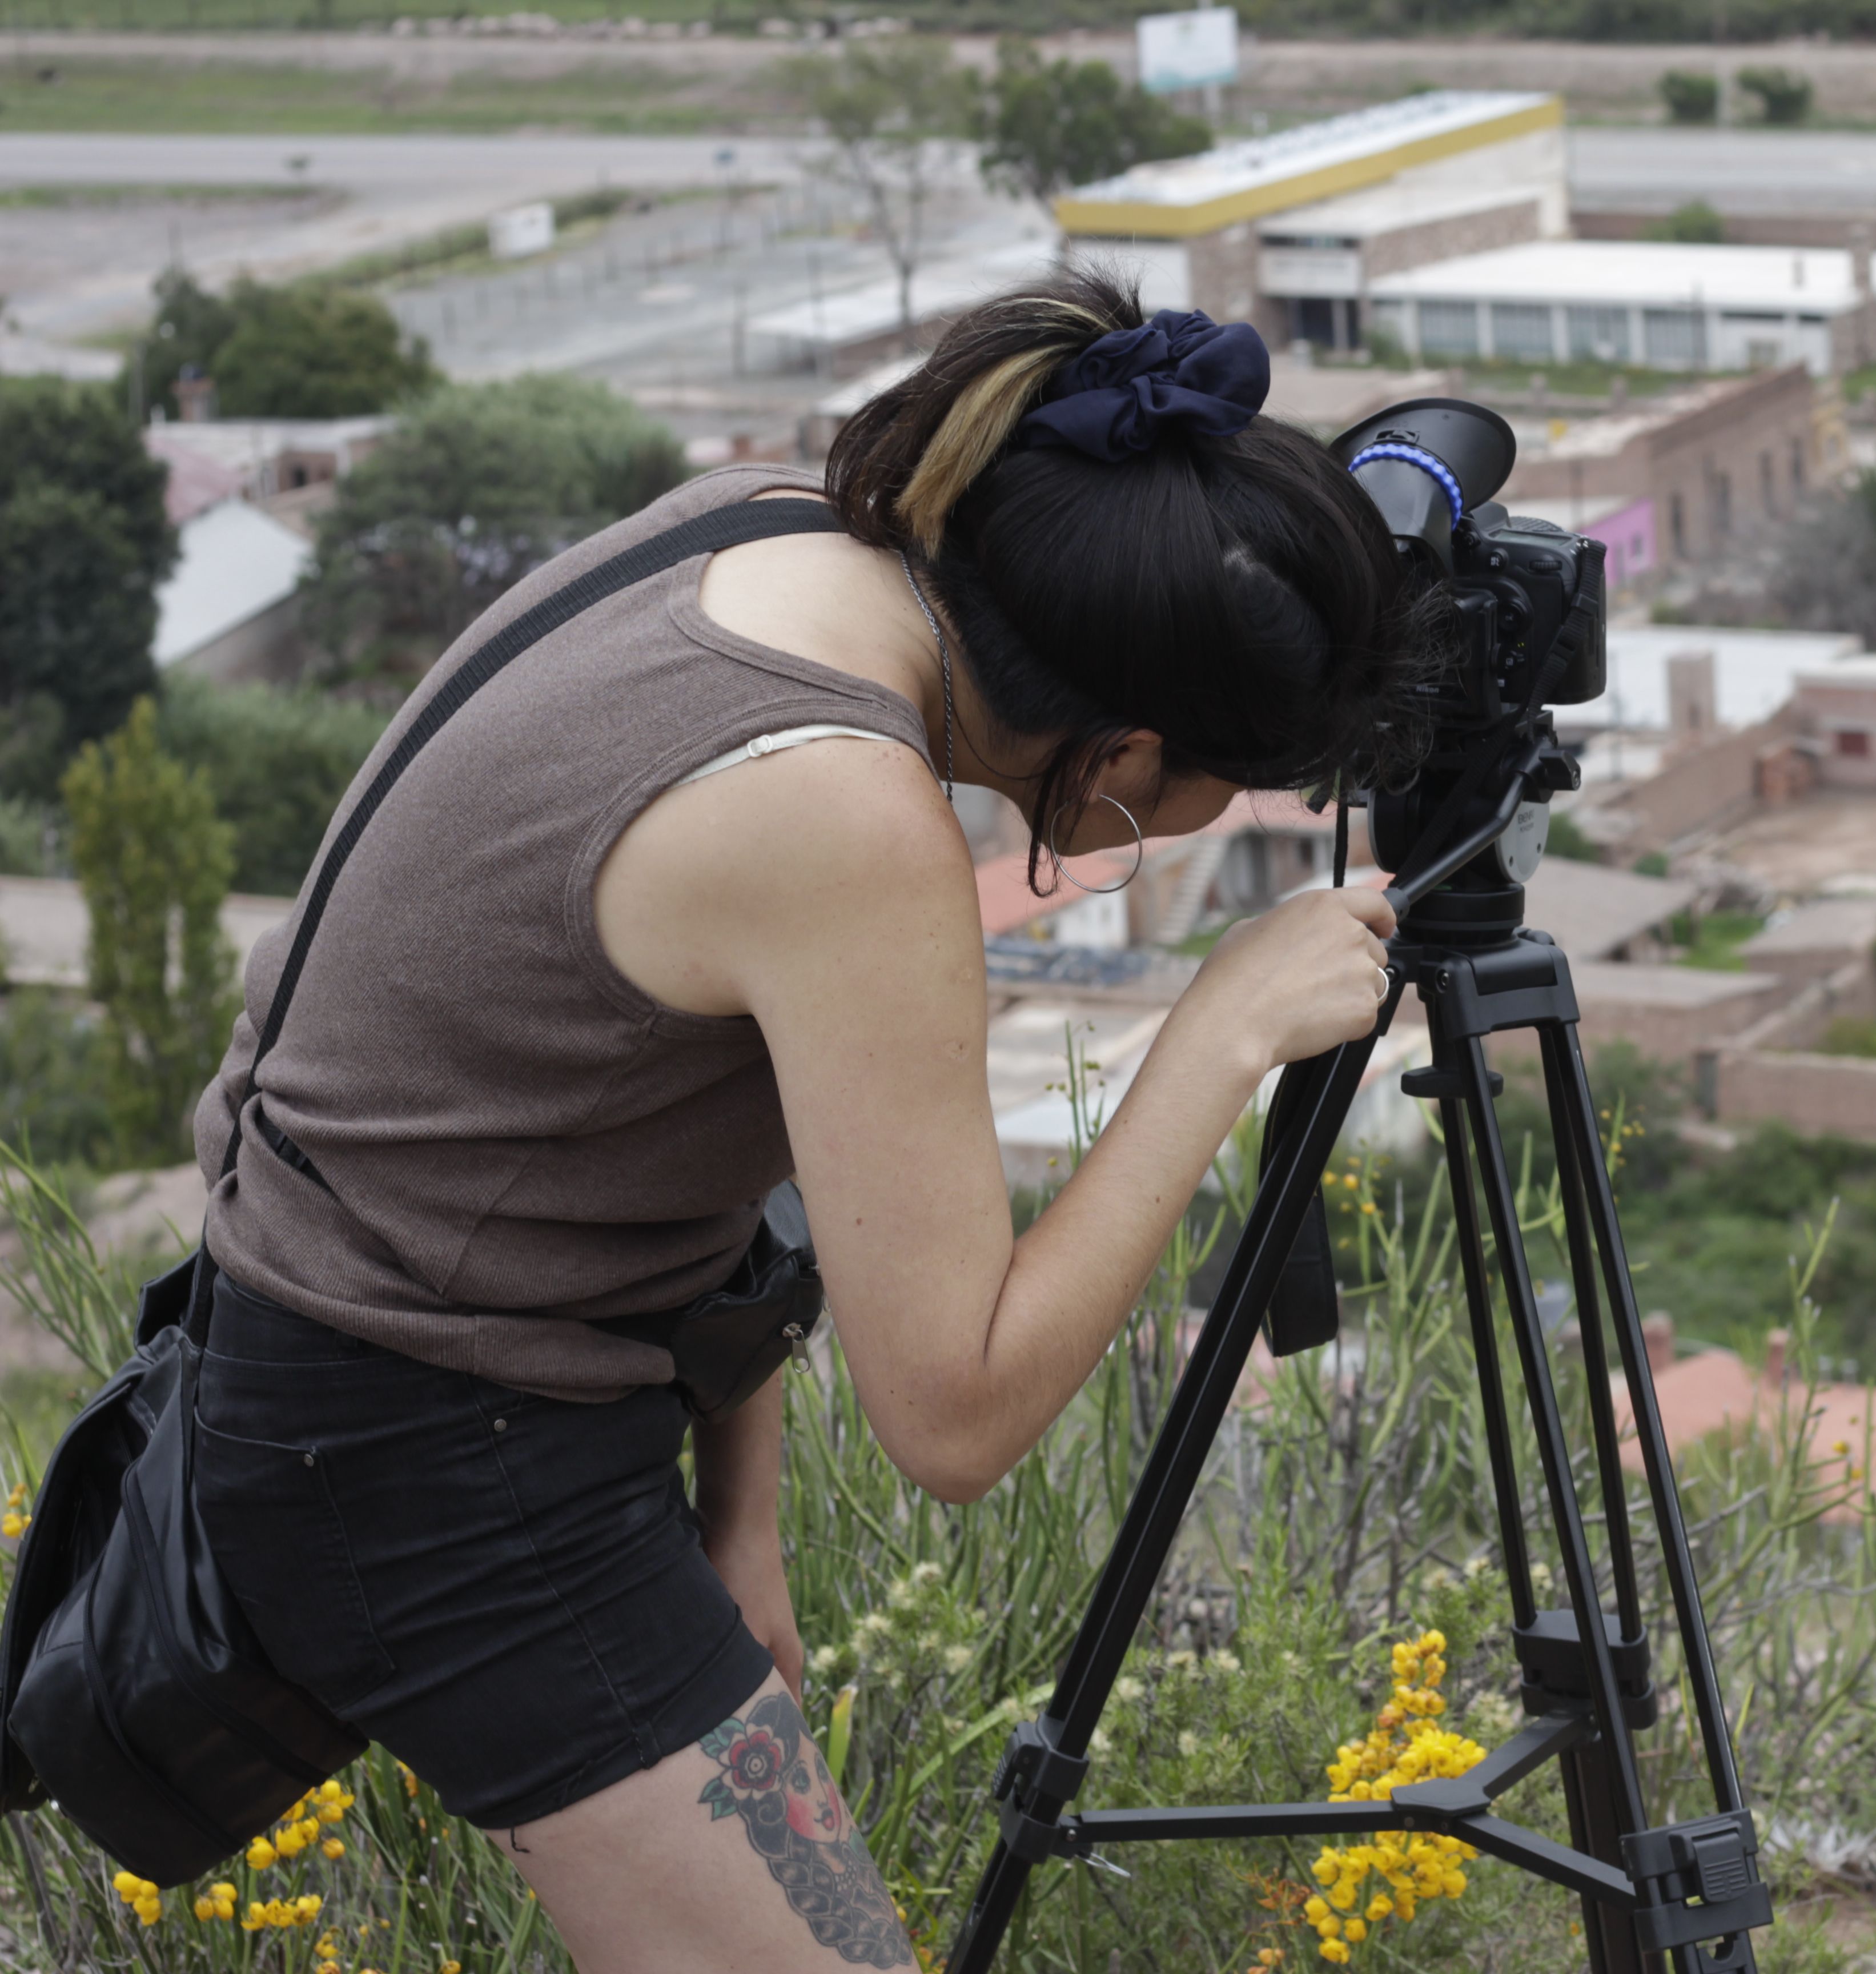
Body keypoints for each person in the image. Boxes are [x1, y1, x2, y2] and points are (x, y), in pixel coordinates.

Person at [187, 267, 1427, 1971]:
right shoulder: (842, 818)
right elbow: (955, 1420)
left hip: (418, 1355)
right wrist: (1215, 1036)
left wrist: (739, 1517)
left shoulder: (777, 541)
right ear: (1125, 753)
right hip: (422, 1451)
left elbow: (700, 1129)